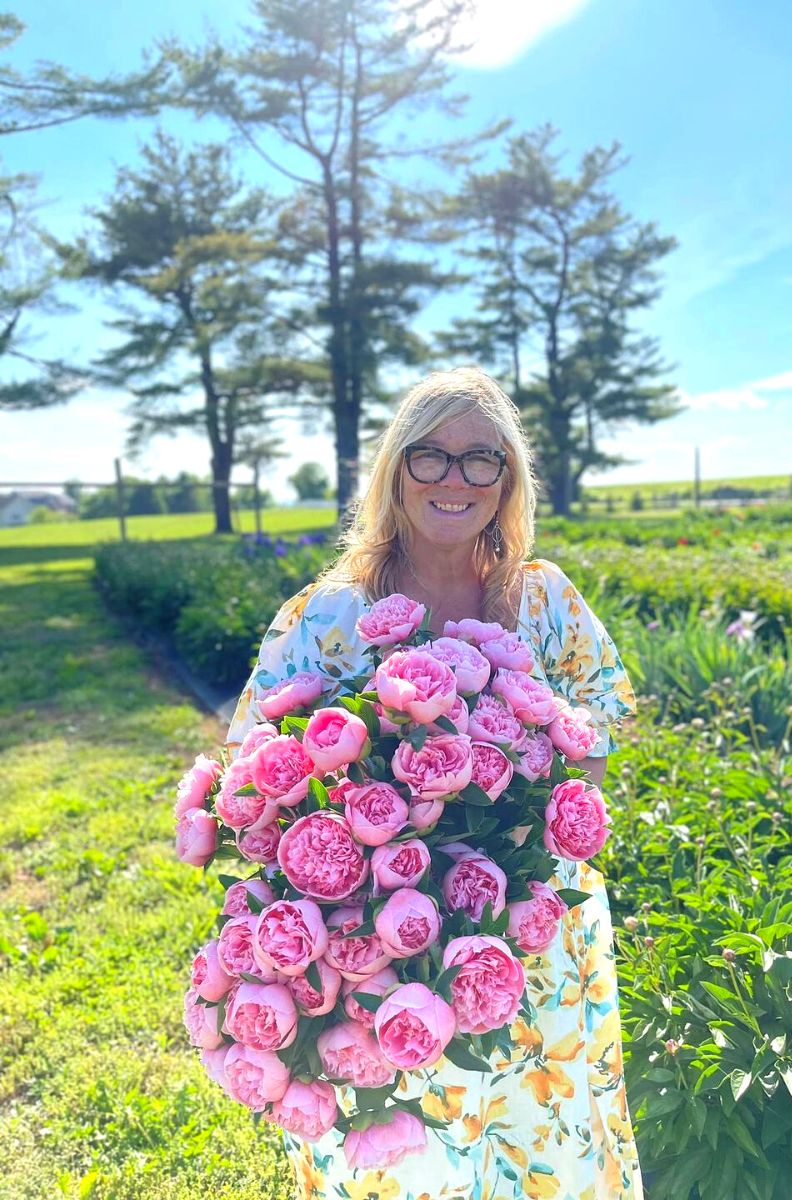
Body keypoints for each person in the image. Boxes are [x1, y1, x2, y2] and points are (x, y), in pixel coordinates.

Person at [227, 367, 643, 1200]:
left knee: (538, 1129)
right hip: (378, 936)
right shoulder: (328, 614)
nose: (454, 480)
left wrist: (527, 800)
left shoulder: (544, 598)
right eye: (431, 457)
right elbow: (249, 769)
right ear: (396, 470)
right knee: (413, 1147)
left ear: (506, 481)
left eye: (480, 460)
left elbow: (608, 714)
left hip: (531, 919)